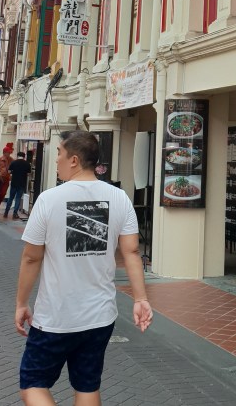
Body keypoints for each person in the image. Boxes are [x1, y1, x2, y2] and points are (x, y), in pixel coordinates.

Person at [15, 130, 152, 406]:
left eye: (60, 155)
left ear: (74, 160)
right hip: (100, 315)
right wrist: (141, 299)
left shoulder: (48, 199)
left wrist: (21, 303)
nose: (56, 161)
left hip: (55, 315)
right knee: (87, 386)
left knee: (33, 384)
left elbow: (31, 258)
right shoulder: (120, 198)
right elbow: (132, 252)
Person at [4, 152, 31, 219]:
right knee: (18, 198)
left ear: (17, 156)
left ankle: (6, 212)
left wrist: (14, 172)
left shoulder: (13, 162)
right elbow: (28, 174)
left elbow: (9, 172)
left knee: (11, 198)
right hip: (22, 183)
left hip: (14, 183)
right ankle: (15, 213)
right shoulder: (27, 163)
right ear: (24, 156)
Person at [0, 151, 11, 219]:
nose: (9, 153)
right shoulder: (2, 160)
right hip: (2, 179)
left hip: (4, 179)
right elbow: (2, 171)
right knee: (0, 194)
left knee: (1, 194)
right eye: (8, 152)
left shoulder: (9, 159)